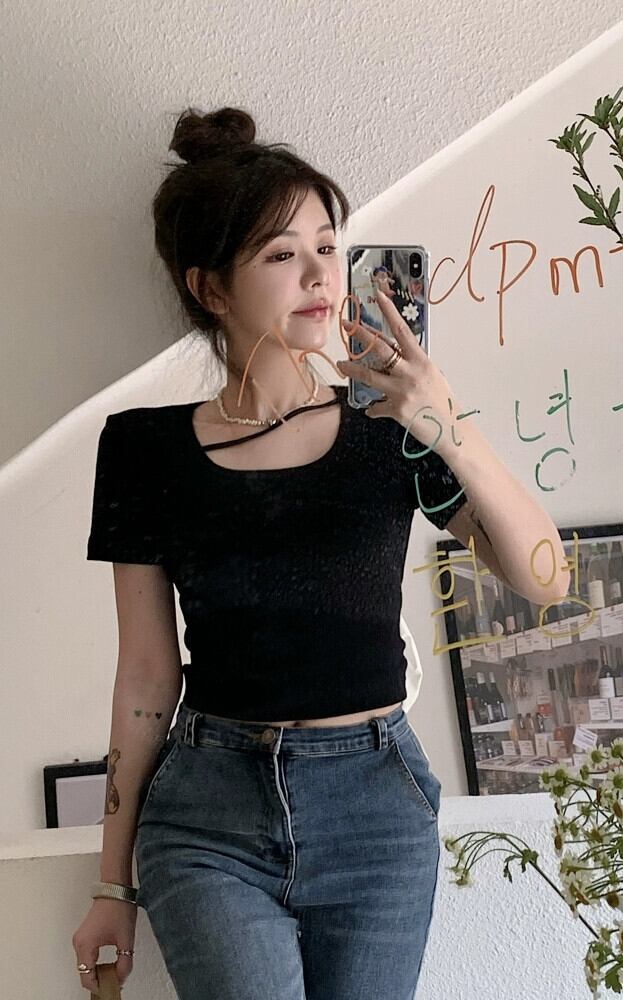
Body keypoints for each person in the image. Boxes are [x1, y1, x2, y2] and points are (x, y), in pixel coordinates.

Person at [71, 105, 472, 1000]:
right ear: (210, 289)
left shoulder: (389, 427)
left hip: (375, 806)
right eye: (281, 254)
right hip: (208, 812)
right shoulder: (141, 448)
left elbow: (532, 568)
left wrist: (441, 417)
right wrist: (112, 885)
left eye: (327, 246)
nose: (320, 274)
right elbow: (145, 677)